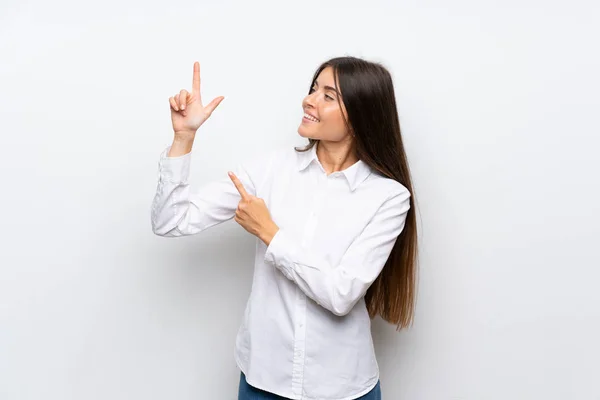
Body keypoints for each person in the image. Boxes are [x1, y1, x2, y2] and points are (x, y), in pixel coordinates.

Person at [151, 56, 418, 400]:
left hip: (343, 388)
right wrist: (183, 138)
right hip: (263, 381)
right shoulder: (270, 171)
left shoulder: (388, 198)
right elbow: (170, 220)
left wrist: (270, 233)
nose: (309, 100)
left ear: (360, 115)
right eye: (312, 89)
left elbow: (341, 294)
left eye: (328, 95)